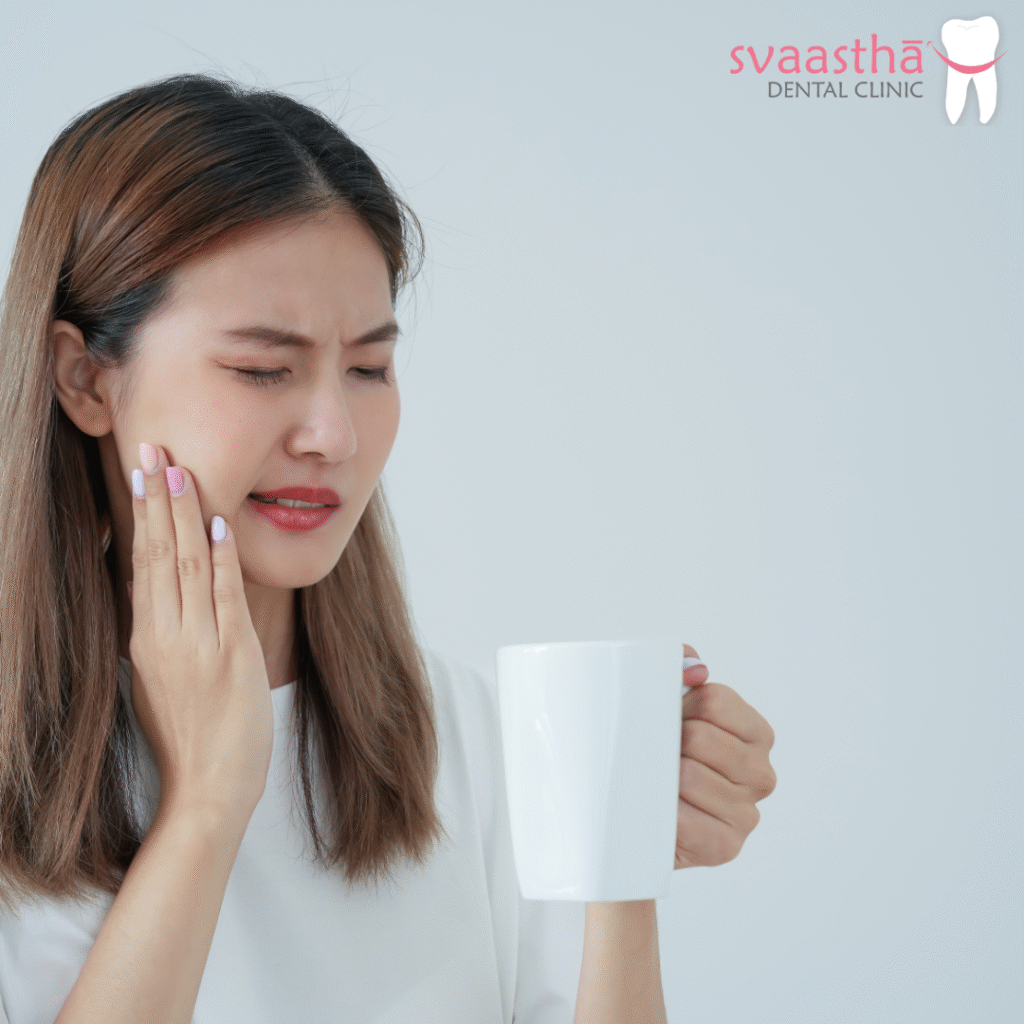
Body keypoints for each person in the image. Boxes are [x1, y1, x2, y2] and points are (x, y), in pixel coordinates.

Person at [0, 73, 776, 1024]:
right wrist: (205, 805)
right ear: (84, 379)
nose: (333, 431)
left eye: (370, 367)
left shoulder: (469, 738)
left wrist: (619, 856)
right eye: (261, 369)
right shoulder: (15, 758)